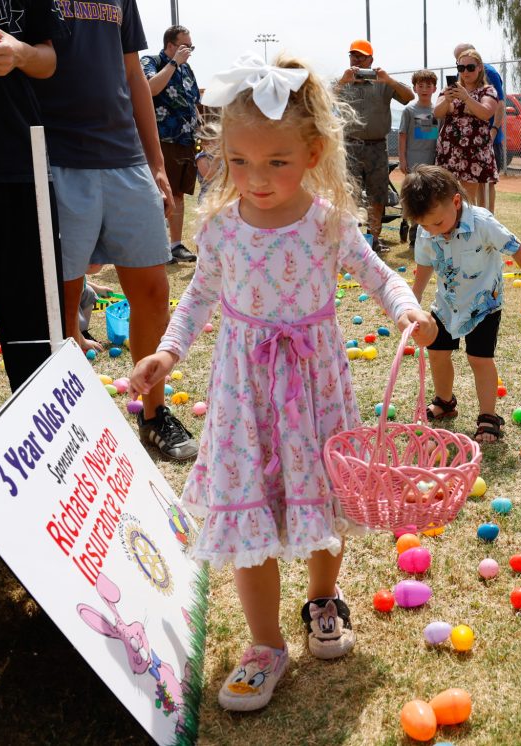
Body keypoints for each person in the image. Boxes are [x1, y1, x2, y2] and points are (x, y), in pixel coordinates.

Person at [128, 54, 437, 713]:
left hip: (316, 386)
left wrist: (407, 308)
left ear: (314, 152)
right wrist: (166, 354)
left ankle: (324, 600)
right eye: (239, 162)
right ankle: (264, 644)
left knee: (326, 503)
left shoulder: (328, 223)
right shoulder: (219, 230)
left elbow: (378, 275)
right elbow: (196, 301)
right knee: (251, 512)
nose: (256, 179)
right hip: (244, 393)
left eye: (276, 162)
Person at [32, 0, 198, 461]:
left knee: (151, 292)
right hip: (59, 158)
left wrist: (157, 165)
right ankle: (68, 429)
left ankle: (153, 415)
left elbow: (132, 78)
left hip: (126, 160)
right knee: (63, 311)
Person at [403, 165, 521, 444]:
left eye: (438, 223)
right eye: (426, 225)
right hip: (446, 304)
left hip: (484, 304)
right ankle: (445, 400)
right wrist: (414, 297)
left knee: (479, 359)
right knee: (437, 353)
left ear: (456, 202)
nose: (434, 231)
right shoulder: (426, 230)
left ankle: (488, 416)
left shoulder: (482, 222)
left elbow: (516, 247)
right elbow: (424, 264)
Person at [0, 4, 66, 393]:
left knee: (35, 337)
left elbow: (49, 60)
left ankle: (46, 450)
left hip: (22, 166)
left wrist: (19, 53)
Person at [334, 39, 414, 254]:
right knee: (349, 195)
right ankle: (351, 241)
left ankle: (374, 239)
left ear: (371, 60)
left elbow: (409, 98)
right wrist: (342, 81)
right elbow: (322, 100)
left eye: (361, 56)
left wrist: (389, 80)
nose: (357, 60)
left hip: (377, 148)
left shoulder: (382, 84)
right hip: (349, 147)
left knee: (377, 196)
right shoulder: (343, 82)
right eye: (353, 55)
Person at [142, 25, 201, 263]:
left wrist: (201, 129)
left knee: (177, 194)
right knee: (157, 195)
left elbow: (194, 101)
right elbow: (150, 89)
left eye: (191, 47)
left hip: (185, 140)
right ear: (170, 45)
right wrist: (174, 63)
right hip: (161, 140)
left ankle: (175, 245)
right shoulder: (152, 61)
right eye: (185, 46)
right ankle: (155, 248)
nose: (188, 51)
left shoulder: (188, 69)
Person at [434, 49, 499, 210]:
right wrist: (447, 100)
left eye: (470, 67)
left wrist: (466, 97)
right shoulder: (450, 89)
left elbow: (485, 113)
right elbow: (437, 113)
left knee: (468, 196)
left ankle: (468, 230)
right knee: (447, 192)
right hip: (450, 150)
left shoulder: (487, 90)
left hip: (474, 150)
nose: (465, 72)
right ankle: (451, 228)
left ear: (479, 68)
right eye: (461, 68)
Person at [453, 42, 505, 213]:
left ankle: (487, 220)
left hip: (486, 136)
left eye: (466, 64)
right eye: (458, 64)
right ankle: (473, 219)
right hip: (465, 140)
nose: (463, 69)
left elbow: (500, 104)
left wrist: (494, 129)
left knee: (486, 184)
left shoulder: (488, 72)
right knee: (469, 185)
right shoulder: (462, 74)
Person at [398, 69, 439, 247]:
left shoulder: (437, 110)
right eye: (420, 85)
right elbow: (402, 135)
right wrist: (402, 159)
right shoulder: (409, 110)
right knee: (413, 196)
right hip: (413, 160)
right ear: (414, 88)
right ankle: (409, 228)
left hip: (431, 161)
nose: (424, 89)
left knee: (428, 197)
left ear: (434, 88)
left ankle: (424, 232)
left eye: (428, 86)